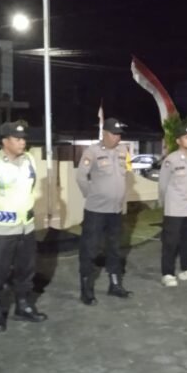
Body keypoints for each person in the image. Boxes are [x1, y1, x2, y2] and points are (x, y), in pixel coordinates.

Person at [0, 121, 47, 332]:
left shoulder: (29, 160)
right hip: (0, 232)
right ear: (5, 141)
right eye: (17, 139)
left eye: (23, 138)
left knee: (26, 271)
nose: (22, 142)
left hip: (26, 228)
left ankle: (23, 306)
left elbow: (30, 186)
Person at [76, 118, 133, 305]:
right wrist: (92, 194)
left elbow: (127, 174)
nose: (118, 137)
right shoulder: (92, 152)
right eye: (114, 134)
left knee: (114, 249)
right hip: (96, 211)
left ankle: (115, 285)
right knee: (90, 249)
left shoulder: (123, 151)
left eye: (119, 134)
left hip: (115, 211)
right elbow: (81, 177)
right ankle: (86, 289)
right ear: (105, 133)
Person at [158, 125, 187, 287]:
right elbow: (163, 184)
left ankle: (186, 269)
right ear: (178, 141)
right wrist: (165, 203)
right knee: (171, 242)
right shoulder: (171, 160)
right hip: (174, 208)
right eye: (186, 137)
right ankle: (167, 273)